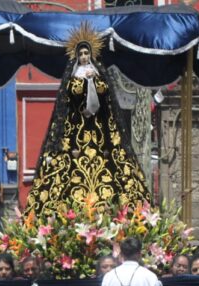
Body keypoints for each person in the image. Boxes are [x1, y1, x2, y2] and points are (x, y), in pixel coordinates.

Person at [25, 23, 150, 217]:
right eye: (81, 54)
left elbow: (106, 98)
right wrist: (82, 83)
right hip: (76, 132)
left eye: (86, 53)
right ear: (76, 56)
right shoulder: (73, 76)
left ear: (91, 54)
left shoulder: (98, 75)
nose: (84, 57)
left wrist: (94, 81)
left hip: (100, 132)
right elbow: (66, 103)